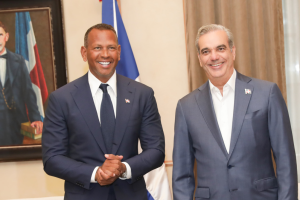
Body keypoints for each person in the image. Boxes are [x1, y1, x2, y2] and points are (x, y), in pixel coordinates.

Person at [172, 24, 297, 200]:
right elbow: (182, 176)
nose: (214, 57)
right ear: (199, 59)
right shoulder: (186, 107)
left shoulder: (266, 93)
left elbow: (286, 161)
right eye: (206, 51)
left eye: (220, 48)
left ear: (233, 51)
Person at [42, 23, 165, 200]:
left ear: (119, 52)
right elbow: (52, 159)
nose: (105, 54)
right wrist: (95, 173)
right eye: (97, 48)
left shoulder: (142, 94)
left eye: (111, 48)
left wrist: (123, 168)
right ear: (84, 53)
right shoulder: (61, 99)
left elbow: (156, 150)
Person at [0, 21, 42, 146]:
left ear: (6, 36)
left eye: (0, 35)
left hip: (16, 121)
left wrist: (35, 118)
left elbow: (28, 92)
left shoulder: (18, 61)